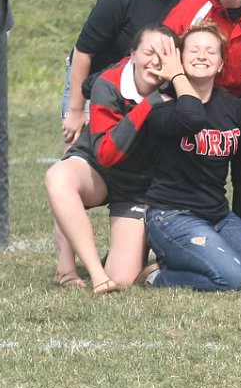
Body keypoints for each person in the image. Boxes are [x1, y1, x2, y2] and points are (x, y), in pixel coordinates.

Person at [139, 25, 241, 291]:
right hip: (171, 215)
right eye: (194, 50)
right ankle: (158, 277)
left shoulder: (235, 109)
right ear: (179, 58)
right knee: (232, 280)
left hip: (218, 215)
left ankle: (202, 257)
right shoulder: (161, 105)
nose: (202, 56)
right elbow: (191, 116)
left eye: (211, 51)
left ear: (221, 62)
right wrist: (177, 75)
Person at [46, 25, 175, 295]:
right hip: (99, 168)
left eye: (164, 54)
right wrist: (149, 104)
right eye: (149, 52)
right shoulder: (109, 83)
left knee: (124, 278)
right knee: (60, 178)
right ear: (132, 54)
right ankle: (74, 271)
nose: (155, 61)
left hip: (138, 188)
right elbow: (107, 153)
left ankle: (119, 261)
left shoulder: (177, 86)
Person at [62, 0, 196, 145]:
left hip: (151, 88)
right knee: (81, 157)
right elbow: (83, 52)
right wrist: (76, 111)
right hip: (97, 83)